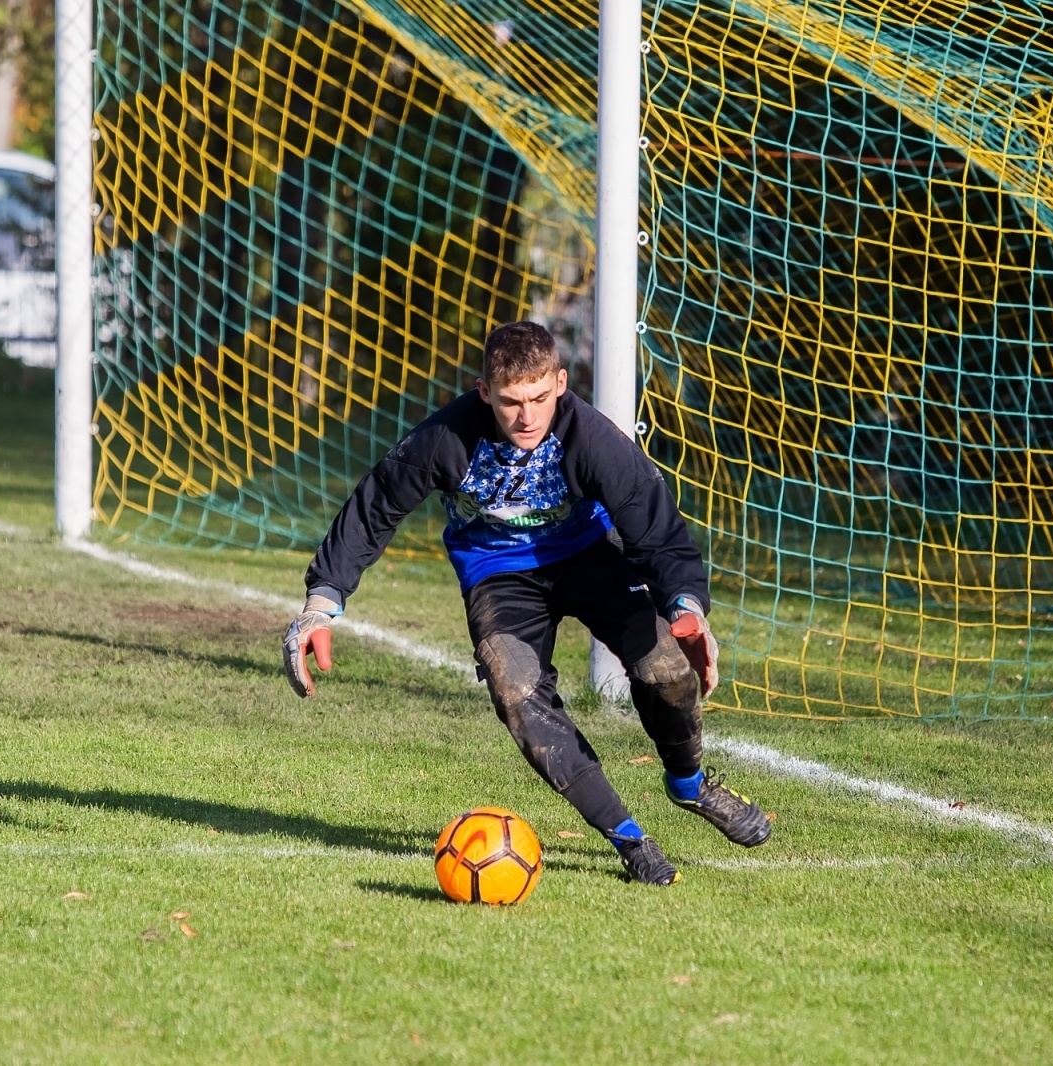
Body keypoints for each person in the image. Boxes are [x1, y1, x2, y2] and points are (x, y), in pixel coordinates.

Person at [282, 321, 771, 885]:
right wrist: (322, 600)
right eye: (511, 401)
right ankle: (629, 838)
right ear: (485, 391)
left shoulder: (592, 440)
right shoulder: (449, 438)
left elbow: (655, 529)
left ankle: (690, 786)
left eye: (539, 398)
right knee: (515, 691)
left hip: (589, 555)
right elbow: (376, 507)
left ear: (560, 383)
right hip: (498, 574)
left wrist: (686, 605)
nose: (527, 416)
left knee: (665, 668)